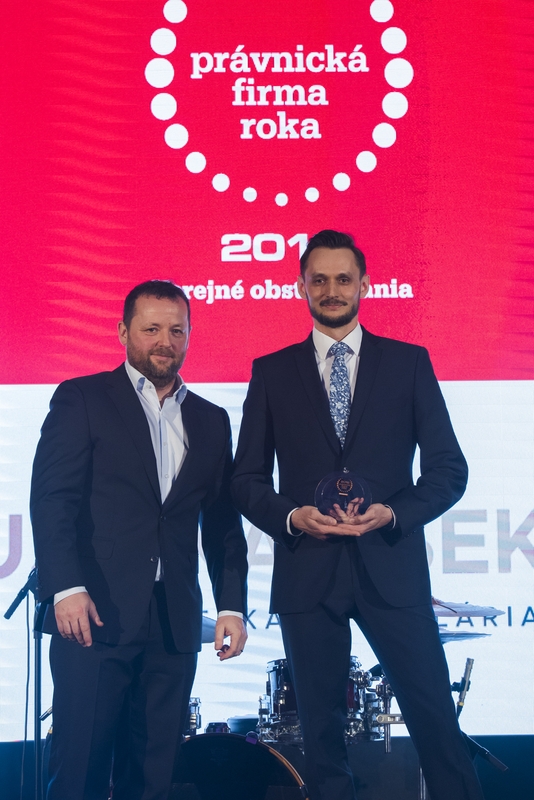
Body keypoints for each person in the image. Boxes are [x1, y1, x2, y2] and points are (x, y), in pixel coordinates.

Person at [231, 230, 484, 800]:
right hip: (308, 574)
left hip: (391, 569)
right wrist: (293, 516)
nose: (332, 289)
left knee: (438, 727)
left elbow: (449, 470)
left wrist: (393, 512)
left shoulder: (408, 364)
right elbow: (245, 481)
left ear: (364, 285)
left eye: (343, 279)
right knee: (321, 745)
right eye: (319, 279)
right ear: (301, 287)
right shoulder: (272, 371)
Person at [30, 280, 248, 800]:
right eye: (151, 329)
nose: (164, 341)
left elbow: (222, 522)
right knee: (79, 771)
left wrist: (231, 606)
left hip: (173, 623)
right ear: (123, 332)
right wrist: (65, 587)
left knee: (152, 777)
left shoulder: (211, 419)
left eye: (176, 330)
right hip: (94, 616)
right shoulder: (82, 398)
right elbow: (52, 500)